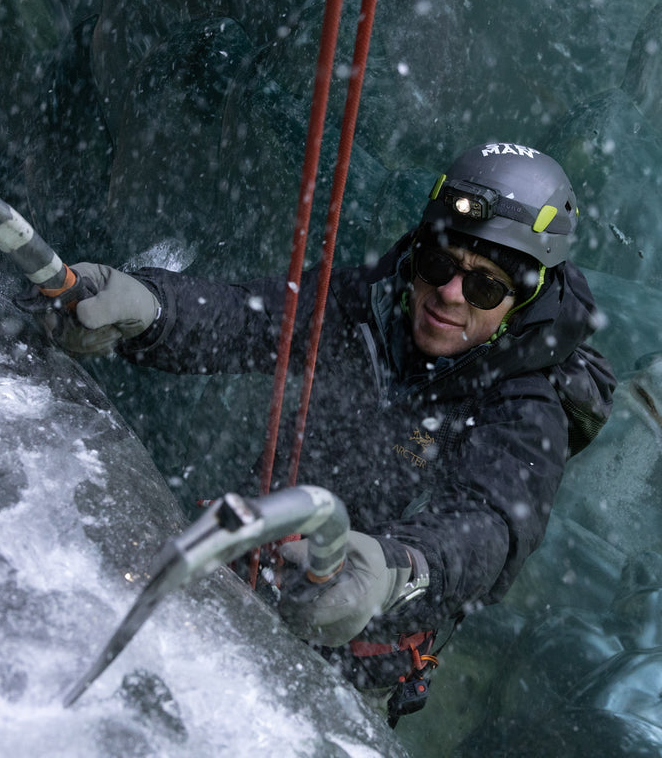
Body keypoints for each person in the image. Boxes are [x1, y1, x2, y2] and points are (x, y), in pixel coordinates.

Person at [41, 142, 616, 722]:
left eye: (484, 287)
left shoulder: (526, 405)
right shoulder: (369, 303)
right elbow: (251, 319)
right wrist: (153, 307)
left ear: (521, 304)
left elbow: (491, 527)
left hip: (348, 662)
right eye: (438, 265)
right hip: (245, 572)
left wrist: (398, 568)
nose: (448, 293)